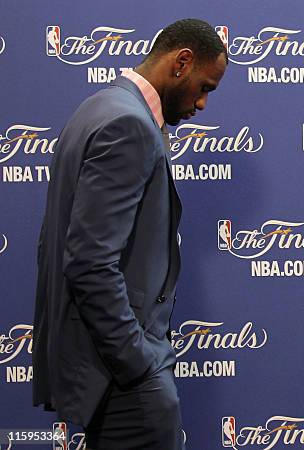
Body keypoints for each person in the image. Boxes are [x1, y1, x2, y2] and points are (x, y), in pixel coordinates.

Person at [32, 18, 227, 450]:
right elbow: (88, 262)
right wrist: (137, 361)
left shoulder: (98, 106)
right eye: (205, 87)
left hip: (103, 369)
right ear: (181, 62)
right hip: (122, 377)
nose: (201, 105)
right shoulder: (130, 125)